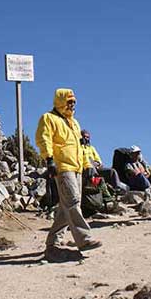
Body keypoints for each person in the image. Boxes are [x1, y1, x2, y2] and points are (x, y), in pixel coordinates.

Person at [35, 88, 102, 261]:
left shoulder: (75, 123)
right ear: (60, 101)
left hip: (77, 167)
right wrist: (49, 159)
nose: (72, 105)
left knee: (67, 207)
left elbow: (80, 147)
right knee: (72, 202)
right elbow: (44, 139)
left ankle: (53, 243)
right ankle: (84, 239)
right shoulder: (48, 118)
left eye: (74, 102)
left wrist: (87, 165)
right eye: (69, 101)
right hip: (62, 166)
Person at [80, 130, 129, 194]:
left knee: (112, 171)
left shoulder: (91, 148)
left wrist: (97, 163)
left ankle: (117, 188)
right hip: (86, 169)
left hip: (96, 167)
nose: (86, 139)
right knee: (90, 166)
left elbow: (98, 159)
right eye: (84, 137)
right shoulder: (79, 147)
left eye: (87, 137)